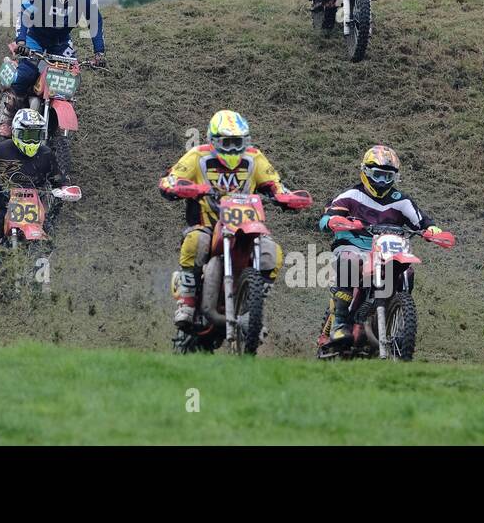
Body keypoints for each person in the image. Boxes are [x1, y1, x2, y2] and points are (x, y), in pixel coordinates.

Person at [158, 110, 308, 331]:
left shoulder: (254, 158)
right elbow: (170, 179)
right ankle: (187, 300)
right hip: (207, 225)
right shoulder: (198, 156)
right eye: (226, 142)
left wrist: (285, 196)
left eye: (237, 142)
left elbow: (275, 184)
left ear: (246, 140)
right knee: (195, 240)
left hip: (245, 227)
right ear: (213, 140)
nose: (232, 148)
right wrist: (182, 187)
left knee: (271, 251)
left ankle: (253, 305)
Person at [315, 145, 446, 348]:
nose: (382, 181)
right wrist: (338, 222)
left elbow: (424, 223)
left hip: (388, 250)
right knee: (349, 261)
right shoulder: (350, 196)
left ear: (395, 177)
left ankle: (398, 319)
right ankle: (340, 323)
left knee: (408, 272)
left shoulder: (401, 201)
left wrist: (435, 232)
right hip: (353, 246)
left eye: (387, 176)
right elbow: (326, 219)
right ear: (366, 172)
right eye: (378, 175)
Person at [0, 108, 68, 296]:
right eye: (26, 134)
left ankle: (41, 279)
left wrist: (66, 189)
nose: (31, 139)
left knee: (49, 234)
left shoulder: (46, 154)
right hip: (2, 203)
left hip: (33, 206)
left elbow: (59, 179)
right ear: (16, 132)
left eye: (35, 134)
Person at [0, 0, 106, 137]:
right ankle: (6, 114)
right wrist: (21, 41)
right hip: (34, 34)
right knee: (27, 73)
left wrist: (99, 52)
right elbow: (25, 13)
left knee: (70, 74)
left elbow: (96, 22)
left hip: (60, 40)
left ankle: (54, 115)